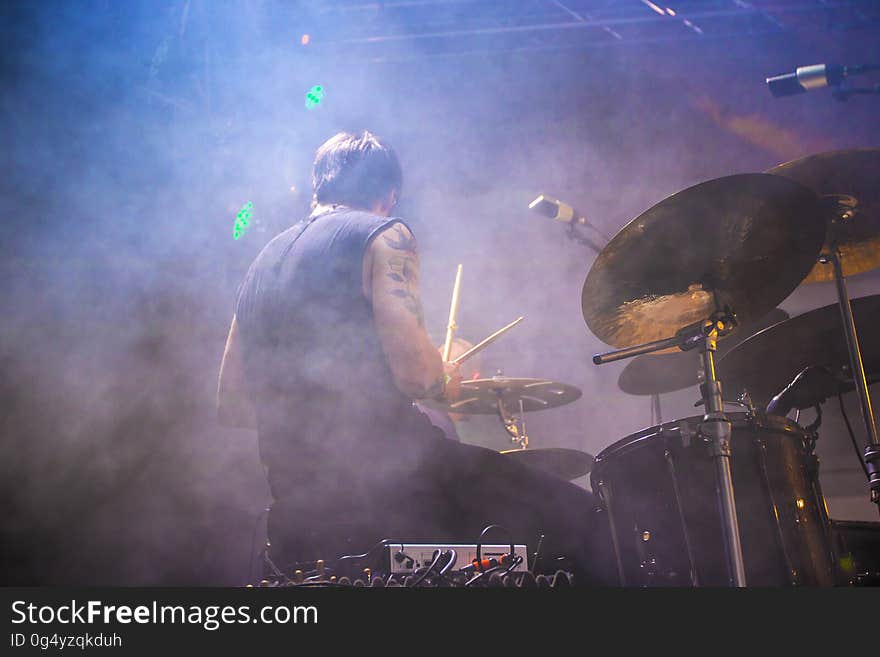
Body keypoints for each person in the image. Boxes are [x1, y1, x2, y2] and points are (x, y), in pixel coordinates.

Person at [217, 131, 611, 584]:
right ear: (388, 194)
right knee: (586, 521)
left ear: (318, 188)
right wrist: (442, 377)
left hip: (298, 511)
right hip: (396, 485)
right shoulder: (387, 234)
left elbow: (232, 403)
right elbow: (416, 376)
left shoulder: (260, 264)